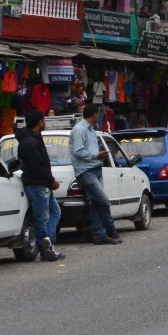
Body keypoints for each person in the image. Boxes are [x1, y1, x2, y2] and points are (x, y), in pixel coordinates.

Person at [14, 114, 64, 263]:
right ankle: (46, 247)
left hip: (42, 184)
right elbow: (37, 166)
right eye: (43, 120)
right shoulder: (29, 142)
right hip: (37, 184)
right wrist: (51, 180)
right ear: (39, 122)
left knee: (55, 211)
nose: (45, 123)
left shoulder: (35, 138)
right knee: (42, 218)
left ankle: (48, 241)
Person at [69, 105, 120, 245]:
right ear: (94, 115)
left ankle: (99, 235)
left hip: (96, 169)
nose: (99, 117)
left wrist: (99, 155)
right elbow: (78, 151)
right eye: (98, 114)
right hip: (86, 172)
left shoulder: (91, 130)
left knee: (97, 203)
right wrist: (97, 155)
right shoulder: (80, 130)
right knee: (104, 201)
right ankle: (111, 230)